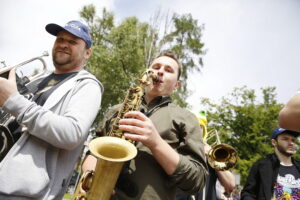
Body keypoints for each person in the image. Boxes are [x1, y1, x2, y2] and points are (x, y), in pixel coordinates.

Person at [82, 51, 208, 199]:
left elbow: (197, 181)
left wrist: (156, 143)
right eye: (156, 67)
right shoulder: (115, 110)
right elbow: (93, 152)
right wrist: (90, 178)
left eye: (168, 70)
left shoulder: (186, 118)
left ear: (176, 85)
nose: (160, 71)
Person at [0, 20, 103, 200]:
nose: (63, 44)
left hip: (21, 193)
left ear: (87, 53)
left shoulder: (88, 85)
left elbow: (71, 133)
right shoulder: (37, 80)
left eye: (72, 41)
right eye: (60, 39)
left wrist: (14, 101)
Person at [241, 128, 300, 200]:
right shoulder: (261, 166)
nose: (291, 143)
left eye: (293, 140)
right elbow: (247, 193)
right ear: (274, 142)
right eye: (285, 139)